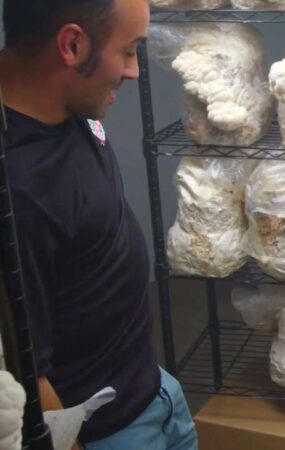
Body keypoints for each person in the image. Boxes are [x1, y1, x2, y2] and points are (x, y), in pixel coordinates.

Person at [0, 1, 197, 449]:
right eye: (128, 52)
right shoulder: (16, 186)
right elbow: (27, 369)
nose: (133, 72)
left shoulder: (69, 107)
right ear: (72, 44)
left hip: (153, 387)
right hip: (110, 434)